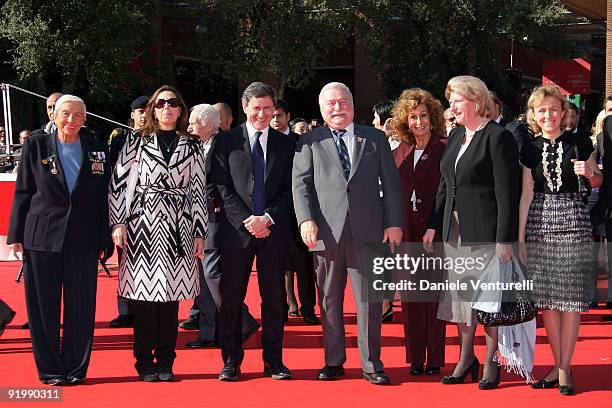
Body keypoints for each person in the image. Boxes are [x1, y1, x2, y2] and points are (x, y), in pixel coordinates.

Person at [293, 82, 403, 385]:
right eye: (330, 104)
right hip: (325, 233)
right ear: (321, 109)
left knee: (370, 299)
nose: (337, 108)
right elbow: (300, 185)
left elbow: (391, 185)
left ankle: (372, 364)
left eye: (342, 102)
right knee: (329, 299)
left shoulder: (375, 138)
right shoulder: (308, 142)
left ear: (353, 105)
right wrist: (305, 220)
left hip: (369, 231)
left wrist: (394, 223)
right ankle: (333, 361)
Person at [7, 94, 112, 386]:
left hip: (84, 238)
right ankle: (51, 370)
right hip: (41, 237)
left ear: (85, 118)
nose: (71, 120)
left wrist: (105, 237)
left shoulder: (98, 149)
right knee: (43, 308)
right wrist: (16, 234)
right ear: (54, 116)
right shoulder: (35, 145)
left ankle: (76, 369)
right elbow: (23, 191)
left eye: (77, 115)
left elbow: (104, 198)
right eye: (65, 114)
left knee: (81, 307)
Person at [424, 75, 519, 390]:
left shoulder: (498, 137)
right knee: (462, 301)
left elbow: (508, 194)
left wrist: (505, 239)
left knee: (487, 302)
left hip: (485, 234)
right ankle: (466, 358)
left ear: (477, 102)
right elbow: (443, 186)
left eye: (457, 100)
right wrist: (432, 225)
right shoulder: (454, 137)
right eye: (450, 101)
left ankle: (492, 361)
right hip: (454, 233)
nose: (451, 107)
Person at [109, 85, 207, 382]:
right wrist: (118, 223)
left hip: (179, 226)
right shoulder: (135, 142)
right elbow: (117, 184)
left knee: (170, 301)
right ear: (153, 108)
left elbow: (199, 190)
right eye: (161, 103)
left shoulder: (191, 144)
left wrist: (199, 231)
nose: (167, 108)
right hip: (143, 226)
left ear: (180, 109)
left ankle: (166, 359)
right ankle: (143, 361)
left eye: (173, 103)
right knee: (143, 300)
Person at [519, 86, 602, 395]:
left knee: (570, 301)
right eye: (542, 110)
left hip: (572, 220)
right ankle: (557, 366)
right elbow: (526, 195)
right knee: (548, 302)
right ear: (535, 115)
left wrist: (590, 173)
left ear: (563, 113)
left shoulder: (580, 142)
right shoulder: (528, 148)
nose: (548, 115)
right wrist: (520, 238)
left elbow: (598, 181)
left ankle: (565, 368)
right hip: (539, 221)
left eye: (553, 109)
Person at [211, 82, 295, 381]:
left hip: (273, 231)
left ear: (275, 109)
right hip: (236, 232)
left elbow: (290, 189)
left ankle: (274, 360)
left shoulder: (288, 144)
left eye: (268, 108)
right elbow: (220, 187)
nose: (262, 114)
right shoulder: (226, 142)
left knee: (274, 298)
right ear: (245, 107)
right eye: (256, 108)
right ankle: (231, 360)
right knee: (231, 297)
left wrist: (267, 218)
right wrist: (247, 219)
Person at [182, 103, 260, 347]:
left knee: (212, 273)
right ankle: (209, 332)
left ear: (208, 124)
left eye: (193, 122)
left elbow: (220, 182)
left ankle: (242, 319)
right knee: (202, 279)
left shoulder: (223, 144)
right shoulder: (197, 146)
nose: (189, 126)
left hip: (216, 218)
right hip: (197, 217)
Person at [390, 88, 447, 376]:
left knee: (433, 297)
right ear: (405, 120)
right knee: (411, 297)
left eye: (423, 116)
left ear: (432, 117)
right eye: (413, 117)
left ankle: (435, 357)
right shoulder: (398, 150)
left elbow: (446, 193)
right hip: (406, 231)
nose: (419, 122)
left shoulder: (444, 147)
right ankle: (415, 358)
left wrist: (434, 226)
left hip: (433, 231)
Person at [271, 99, 318, 325]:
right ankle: (280, 309)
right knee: (276, 268)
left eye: (279, 115)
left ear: (288, 116)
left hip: (299, 215)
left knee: (304, 268)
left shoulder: (301, 142)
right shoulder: (263, 143)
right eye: (272, 116)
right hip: (273, 216)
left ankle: (309, 310)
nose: (275, 120)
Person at [108, 95, 148, 329]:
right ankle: (126, 311)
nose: (143, 115)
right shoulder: (120, 139)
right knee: (125, 262)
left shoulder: (159, 137)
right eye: (139, 111)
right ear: (132, 115)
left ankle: (146, 309)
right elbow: (113, 177)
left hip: (151, 210)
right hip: (125, 209)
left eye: (146, 110)